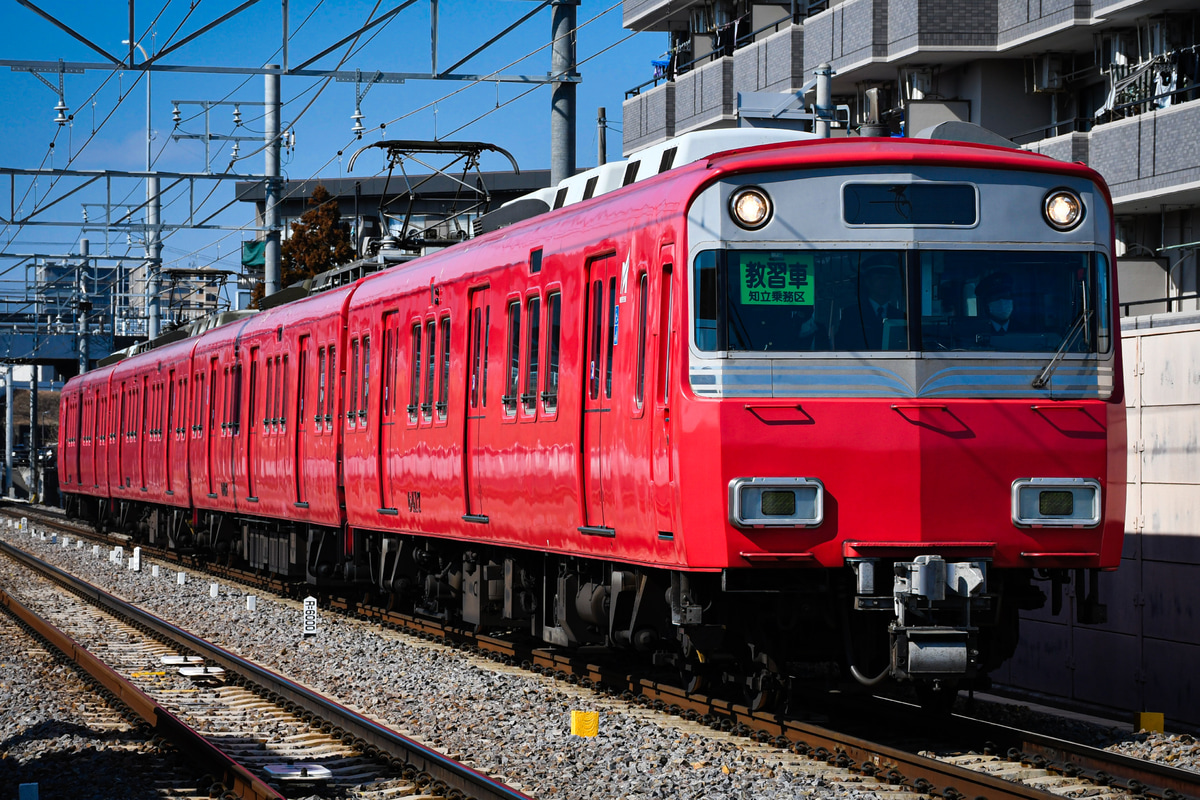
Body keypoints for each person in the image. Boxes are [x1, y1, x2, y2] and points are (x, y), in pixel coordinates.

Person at [833, 255, 905, 350]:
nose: (884, 282)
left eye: (889, 279)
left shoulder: (900, 316)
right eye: (879, 278)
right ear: (868, 282)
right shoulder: (852, 314)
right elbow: (842, 346)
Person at [966, 271, 1017, 344]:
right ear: (986, 304)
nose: (1002, 302)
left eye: (1006, 297)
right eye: (996, 298)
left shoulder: (1024, 330)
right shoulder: (974, 332)